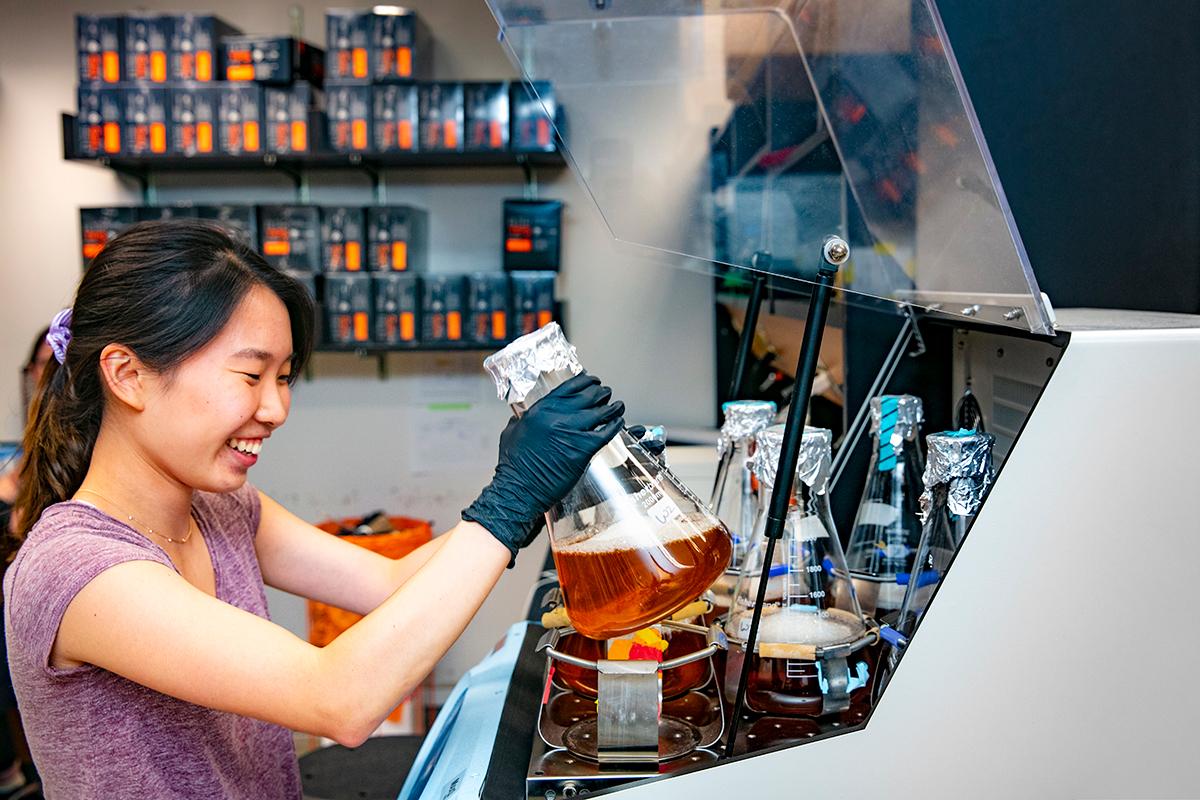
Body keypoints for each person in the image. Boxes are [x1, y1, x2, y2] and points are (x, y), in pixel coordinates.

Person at [4, 220, 625, 799]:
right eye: (251, 376)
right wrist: (512, 498)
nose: (276, 410)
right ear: (128, 374)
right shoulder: (77, 569)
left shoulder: (222, 509)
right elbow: (338, 699)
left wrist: (539, 488)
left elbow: (388, 582)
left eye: (284, 378)